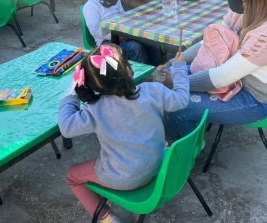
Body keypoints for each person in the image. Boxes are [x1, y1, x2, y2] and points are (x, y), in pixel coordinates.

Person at [59, 43, 189, 222]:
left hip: (122, 178)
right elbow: (182, 100)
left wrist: (71, 94)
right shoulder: (154, 91)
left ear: (95, 85)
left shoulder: (95, 109)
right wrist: (180, 68)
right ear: (129, 70)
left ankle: (106, 217)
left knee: (72, 176)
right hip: (157, 166)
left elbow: (66, 127)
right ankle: (137, 211)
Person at [164, 0, 267, 137]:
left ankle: (187, 156)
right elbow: (212, 42)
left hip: (255, 99)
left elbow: (222, 77)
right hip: (234, 80)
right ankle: (183, 136)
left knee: (175, 104)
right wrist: (173, 63)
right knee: (168, 75)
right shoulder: (245, 9)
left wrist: (179, 81)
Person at [82, 0, 150, 64]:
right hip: (106, 41)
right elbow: (95, 31)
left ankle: (155, 68)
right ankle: (142, 76)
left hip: (122, 34)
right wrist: (116, 35)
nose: (114, 1)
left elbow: (123, 16)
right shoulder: (90, 7)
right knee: (135, 48)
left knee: (149, 41)